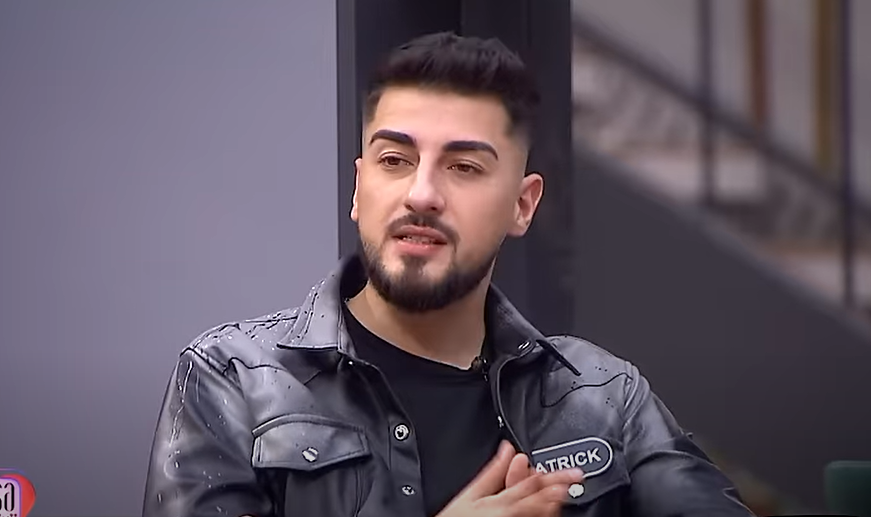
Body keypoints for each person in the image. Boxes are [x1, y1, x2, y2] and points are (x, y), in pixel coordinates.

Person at [142, 32, 756, 517]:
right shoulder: (233, 380)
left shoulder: (600, 397)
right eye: (394, 159)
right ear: (358, 188)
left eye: (463, 167)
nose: (421, 194)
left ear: (523, 205)